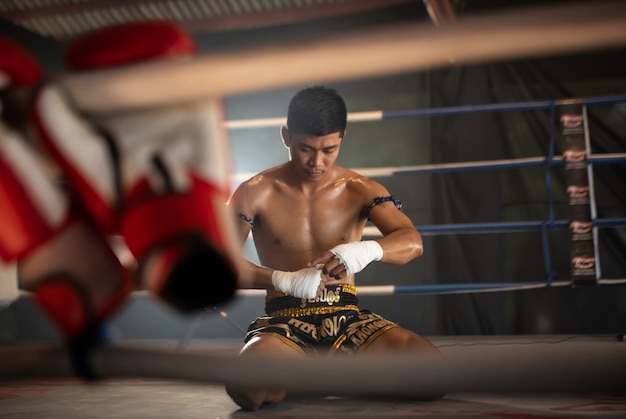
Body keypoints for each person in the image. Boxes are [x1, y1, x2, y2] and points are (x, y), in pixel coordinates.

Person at [226, 86, 442, 410]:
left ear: (342, 136)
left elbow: (412, 241)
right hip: (285, 323)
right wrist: (284, 280)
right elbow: (215, 265)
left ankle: (311, 379)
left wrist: (363, 251)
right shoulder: (254, 193)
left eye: (329, 149)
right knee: (247, 388)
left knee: (435, 375)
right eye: (305, 149)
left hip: (349, 321)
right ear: (286, 136)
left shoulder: (360, 189)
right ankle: (329, 376)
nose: (317, 161)